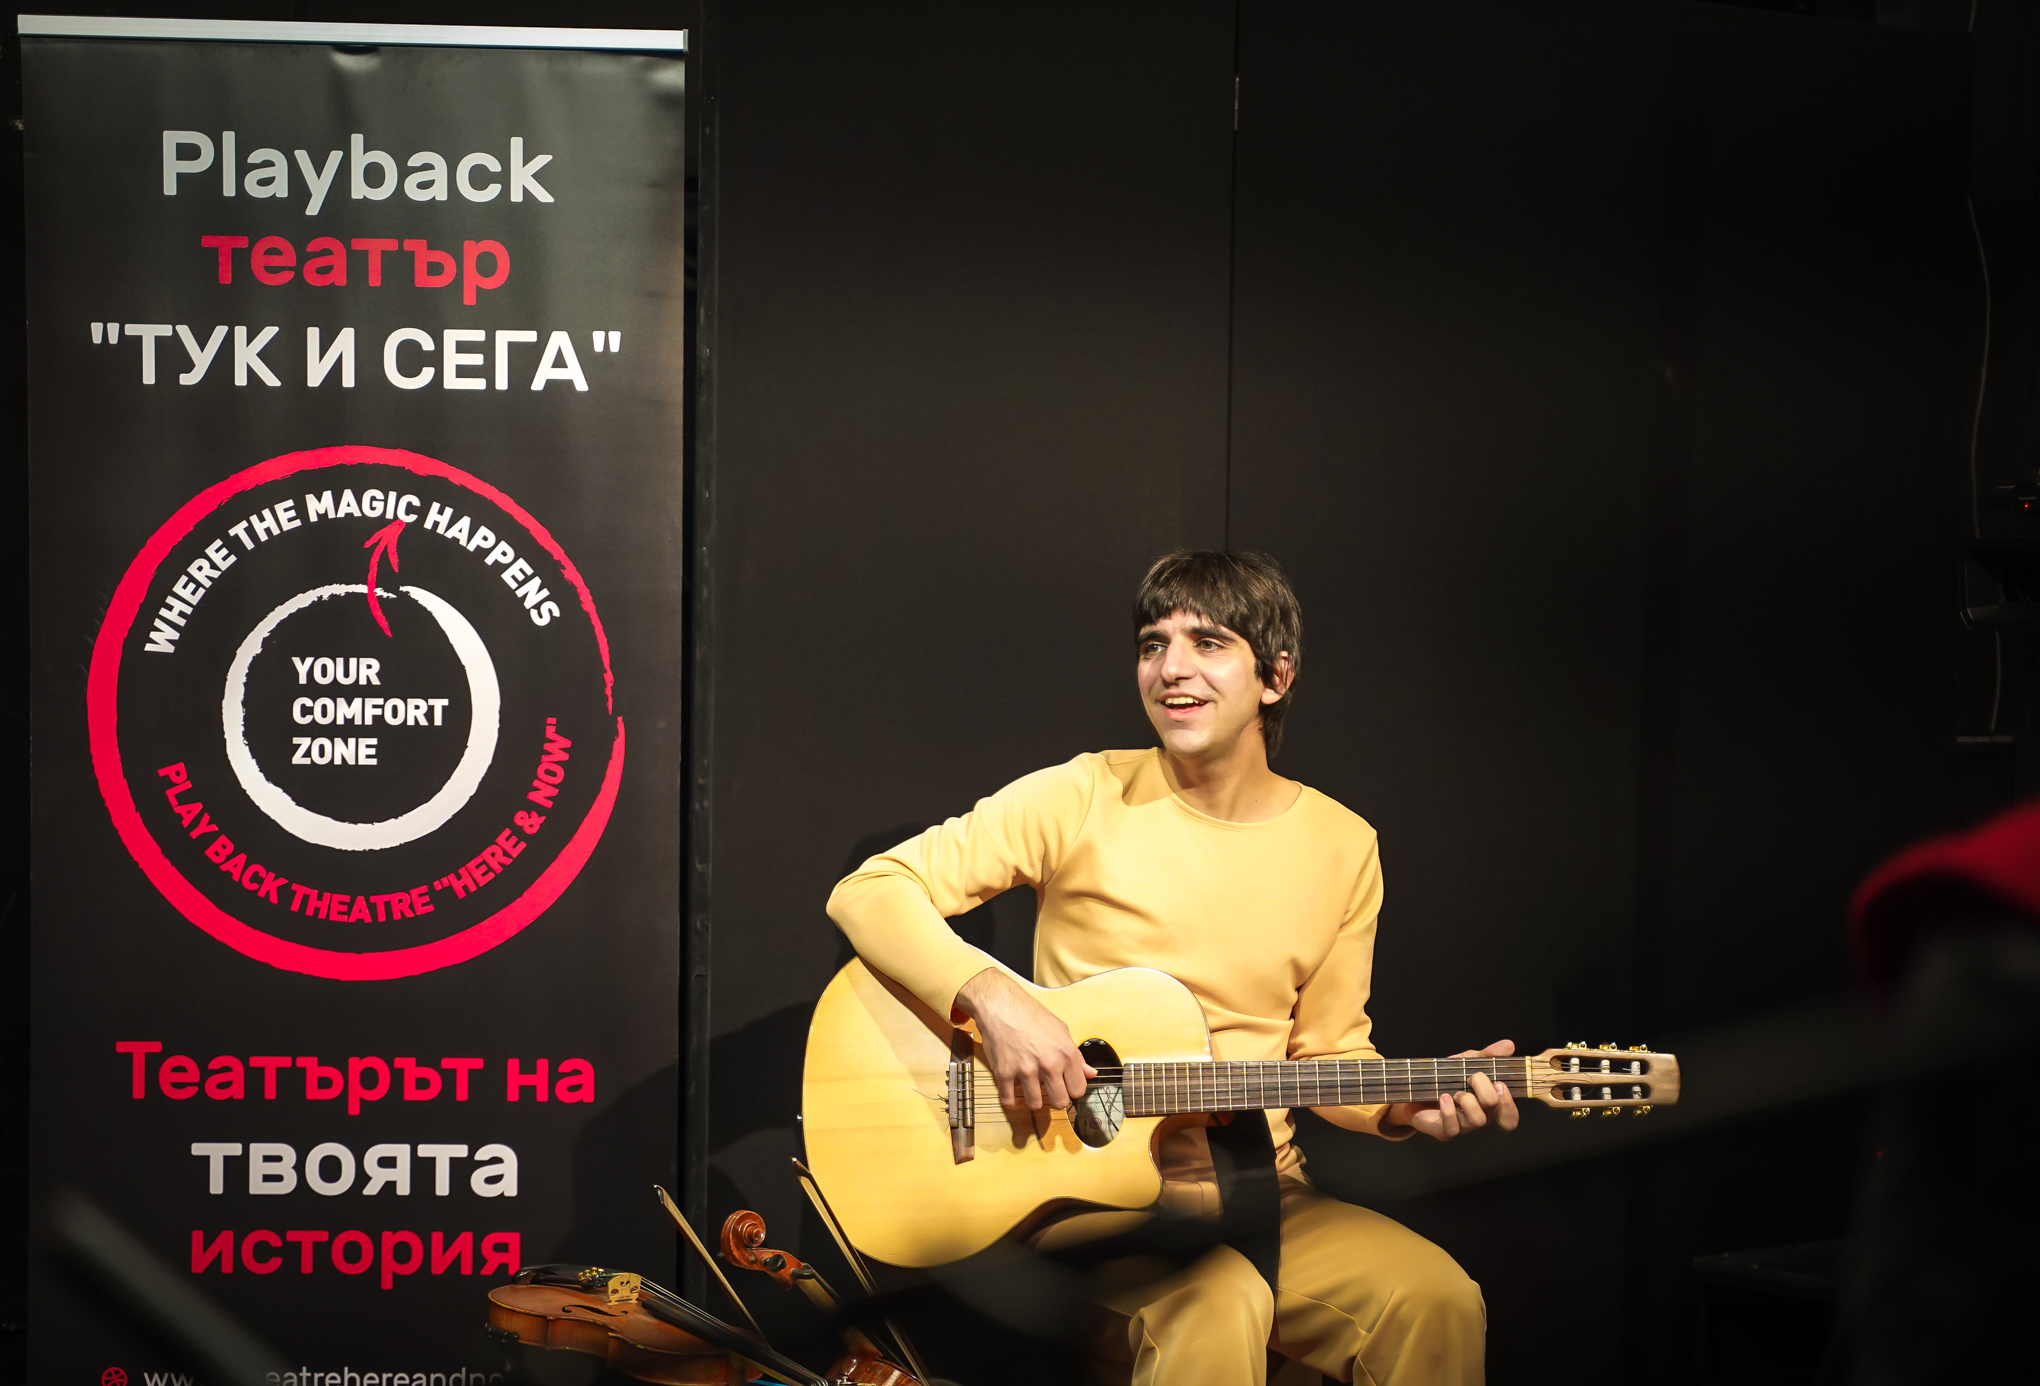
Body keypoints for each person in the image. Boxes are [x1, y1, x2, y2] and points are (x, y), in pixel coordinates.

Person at [826, 550, 1513, 1385]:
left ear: (1276, 677)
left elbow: (1331, 1053)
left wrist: (1403, 1106)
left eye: (1208, 643)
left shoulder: (1344, 845)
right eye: (1154, 644)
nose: (1171, 668)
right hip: (1083, 1196)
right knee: (1217, 1301)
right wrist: (996, 1003)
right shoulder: (1082, 795)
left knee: (1437, 1298)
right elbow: (871, 891)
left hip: (1264, 1193)